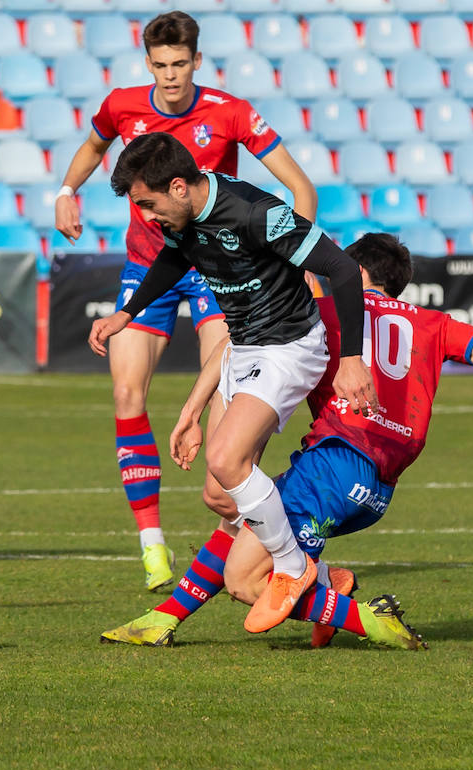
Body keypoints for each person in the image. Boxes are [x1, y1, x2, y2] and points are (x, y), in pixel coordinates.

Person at [102, 233, 473, 649]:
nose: (321, 275)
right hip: (378, 488)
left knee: (244, 579)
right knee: (246, 512)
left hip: (334, 465)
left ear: (351, 274)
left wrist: (191, 411)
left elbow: (238, 342)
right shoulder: (432, 323)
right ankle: (165, 619)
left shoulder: (324, 313)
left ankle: (360, 615)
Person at [55, 10, 317, 591]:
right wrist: (67, 191)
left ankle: (253, 537)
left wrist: (284, 259)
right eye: (159, 65)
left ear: (197, 61)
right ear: (146, 63)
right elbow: (91, 147)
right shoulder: (122, 104)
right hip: (148, 267)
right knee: (126, 390)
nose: (170, 76)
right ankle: (153, 544)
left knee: (221, 441)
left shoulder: (230, 112)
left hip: (213, 272)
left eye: (180, 64)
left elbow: (300, 187)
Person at [88, 132, 378, 635]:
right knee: (221, 495)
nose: (146, 217)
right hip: (243, 348)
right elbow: (174, 259)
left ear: (179, 187)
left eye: (148, 205)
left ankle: (292, 568)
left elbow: (343, 270)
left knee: (227, 460)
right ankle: (330, 582)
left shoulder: (254, 211)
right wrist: (126, 315)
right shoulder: (181, 221)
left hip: (290, 347)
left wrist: (351, 360)